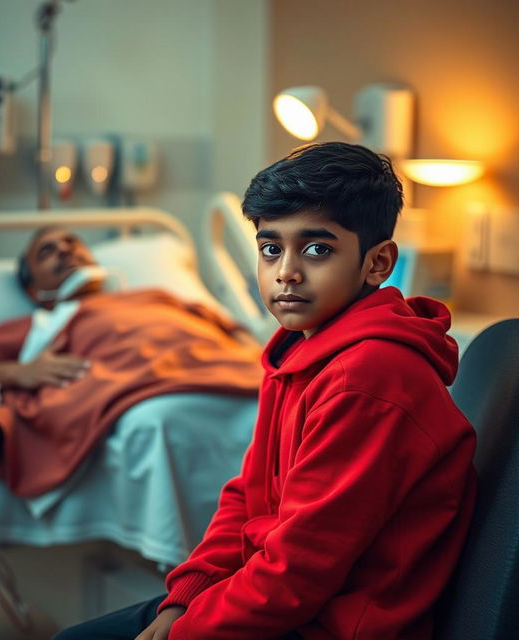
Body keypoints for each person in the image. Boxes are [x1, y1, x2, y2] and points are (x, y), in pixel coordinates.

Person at [53, 142, 477, 640]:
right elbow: (247, 499)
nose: (286, 272)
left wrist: (186, 632)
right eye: (271, 248)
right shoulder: (298, 352)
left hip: (337, 622)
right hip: (279, 597)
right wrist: (183, 601)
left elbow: (301, 568)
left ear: (378, 263)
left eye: (317, 249)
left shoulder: (367, 379)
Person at [0, 225, 262, 497]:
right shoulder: (42, 324)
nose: (65, 250)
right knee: (163, 420)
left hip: (240, 376)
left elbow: (236, 333)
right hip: (157, 395)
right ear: (34, 290)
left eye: (72, 243)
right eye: (47, 252)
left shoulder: (157, 296)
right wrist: (22, 372)